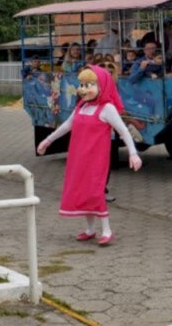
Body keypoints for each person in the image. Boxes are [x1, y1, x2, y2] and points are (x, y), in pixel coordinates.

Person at [36, 65, 143, 246]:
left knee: (95, 191)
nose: (83, 89)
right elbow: (67, 125)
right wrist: (48, 140)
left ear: (102, 85)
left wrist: (133, 153)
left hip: (96, 158)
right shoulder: (82, 105)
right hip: (78, 157)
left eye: (89, 85)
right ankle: (90, 229)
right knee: (83, 190)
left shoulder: (107, 108)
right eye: (82, 84)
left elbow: (123, 131)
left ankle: (107, 230)